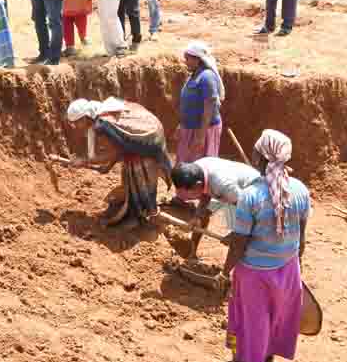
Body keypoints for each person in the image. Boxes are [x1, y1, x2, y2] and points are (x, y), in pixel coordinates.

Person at [218, 129, 311, 362]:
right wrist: (295, 264)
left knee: (253, 320)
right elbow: (300, 238)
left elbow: (239, 242)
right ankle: (267, 361)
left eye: (255, 150)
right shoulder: (300, 190)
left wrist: (224, 271)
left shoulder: (251, 196)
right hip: (288, 268)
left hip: (254, 273)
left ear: (259, 158)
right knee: (278, 316)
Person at [63, 98, 172, 228]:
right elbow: (121, 144)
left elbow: (115, 152)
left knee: (137, 171)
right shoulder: (100, 113)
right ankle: (137, 206)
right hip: (149, 128)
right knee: (130, 170)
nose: (75, 127)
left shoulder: (103, 124)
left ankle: (139, 215)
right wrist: (107, 167)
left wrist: (85, 161)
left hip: (148, 138)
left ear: (85, 117)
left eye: (76, 123)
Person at [170, 157, 261, 259]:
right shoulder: (197, 169)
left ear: (197, 185)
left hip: (253, 196)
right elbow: (205, 192)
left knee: (240, 239)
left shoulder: (224, 186)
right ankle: (191, 253)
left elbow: (249, 209)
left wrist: (236, 233)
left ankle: (228, 273)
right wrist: (197, 216)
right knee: (202, 216)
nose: (185, 197)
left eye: (188, 194)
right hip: (226, 191)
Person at [174, 41, 225, 203]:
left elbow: (209, 106)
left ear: (198, 59)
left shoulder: (207, 77)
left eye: (188, 58)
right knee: (185, 161)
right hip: (190, 128)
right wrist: (181, 125)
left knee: (200, 166)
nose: (185, 61)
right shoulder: (195, 75)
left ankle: (204, 200)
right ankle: (183, 197)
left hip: (204, 129)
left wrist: (201, 136)